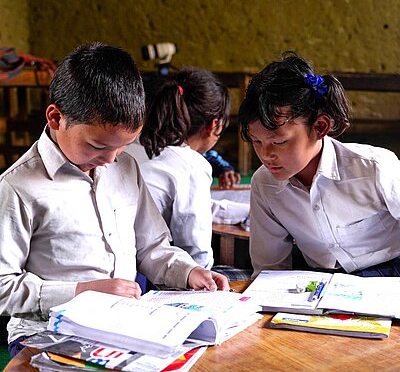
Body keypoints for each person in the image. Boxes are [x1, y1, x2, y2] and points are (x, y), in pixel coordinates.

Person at [0, 42, 229, 357]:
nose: (110, 160)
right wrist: (82, 293)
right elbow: (2, 286)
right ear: (56, 118)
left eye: (124, 145)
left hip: (121, 328)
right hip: (47, 334)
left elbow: (152, 246)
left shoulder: (125, 167)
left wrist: (187, 272)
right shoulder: (18, 188)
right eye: (97, 145)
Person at [237, 52, 400, 297]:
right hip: (320, 286)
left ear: (320, 127)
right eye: (256, 142)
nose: (266, 154)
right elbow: (270, 266)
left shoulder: (373, 167)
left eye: (279, 142)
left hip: (393, 279)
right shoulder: (265, 184)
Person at [125, 68, 248, 269]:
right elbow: (196, 254)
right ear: (214, 125)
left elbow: (188, 206)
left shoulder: (132, 144)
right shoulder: (191, 165)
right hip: (141, 273)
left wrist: (244, 212)